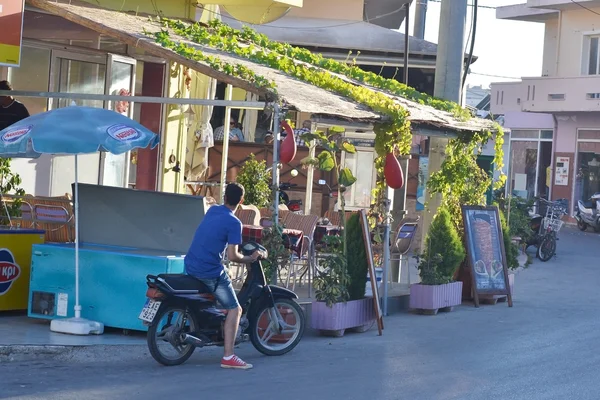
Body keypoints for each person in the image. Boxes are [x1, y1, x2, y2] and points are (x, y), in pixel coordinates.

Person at [184, 182, 264, 370]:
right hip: (208, 271)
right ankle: (228, 356)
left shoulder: (212, 211)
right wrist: (250, 258)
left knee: (223, 277)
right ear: (241, 201)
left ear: (224, 196)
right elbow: (233, 256)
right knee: (235, 309)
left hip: (191, 264)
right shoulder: (234, 222)